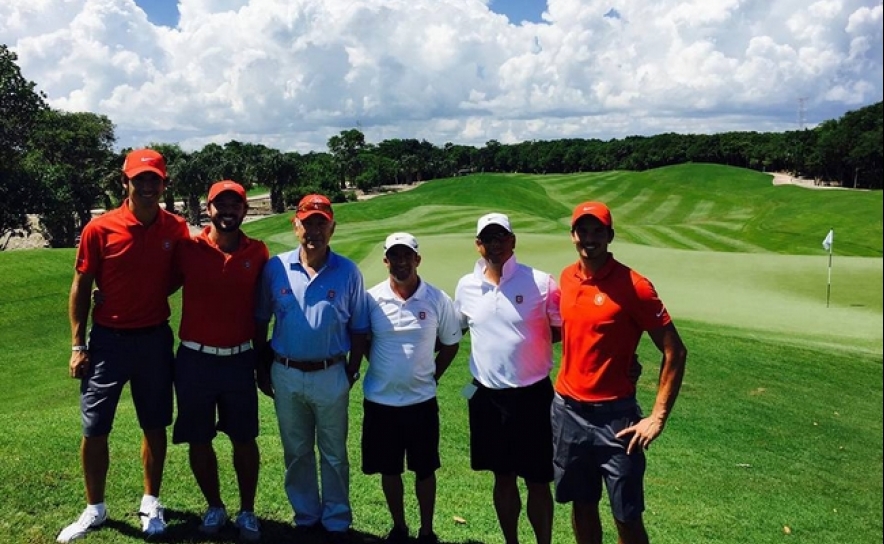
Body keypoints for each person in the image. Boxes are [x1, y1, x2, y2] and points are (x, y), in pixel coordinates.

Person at [57, 148, 189, 543]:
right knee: (95, 427)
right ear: (125, 182)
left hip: (154, 338)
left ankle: (151, 502)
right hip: (108, 342)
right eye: (140, 180)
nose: (148, 187)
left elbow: (179, 275)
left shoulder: (176, 228)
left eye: (155, 180)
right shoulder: (100, 229)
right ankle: (95, 508)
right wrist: (78, 344)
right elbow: (81, 285)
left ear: (165, 184)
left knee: (154, 423)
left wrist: (151, 294)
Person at [552, 201, 688, 544]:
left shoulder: (635, 285)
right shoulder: (566, 279)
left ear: (610, 236)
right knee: (582, 506)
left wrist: (657, 417)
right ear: (572, 236)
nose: (590, 238)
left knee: (625, 516)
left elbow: (675, 351)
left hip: (617, 421)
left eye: (598, 231)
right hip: (568, 412)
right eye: (583, 231)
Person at [254, 193, 370, 544]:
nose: (314, 230)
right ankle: (306, 516)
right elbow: (261, 321)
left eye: (322, 223)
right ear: (296, 225)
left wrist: (350, 371)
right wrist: (262, 369)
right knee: (297, 451)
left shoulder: (348, 271)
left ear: (332, 227)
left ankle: (336, 519)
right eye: (308, 223)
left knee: (334, 453)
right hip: (285, 372)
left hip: (332, 373)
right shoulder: (275, 268)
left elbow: (360, 328)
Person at [453, 213, 561, 544]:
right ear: (478, 244)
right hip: (487, 397)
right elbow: (459, 328)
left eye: (501, 237)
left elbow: (561, 330)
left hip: (534, 396)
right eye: (487, 238)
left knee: (538, 480)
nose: (494, 244)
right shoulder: (466, 286)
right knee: (502, 476)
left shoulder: (541, 283)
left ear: (513, 241)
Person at [171, 180, 269, 541]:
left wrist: (262, 360)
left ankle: (247, 511)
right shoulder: (188, 249)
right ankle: (215, 506)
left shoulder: (258, 253)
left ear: (244, 210)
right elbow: (156, 284)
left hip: (239, 359)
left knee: (244, 438)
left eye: (235, 205)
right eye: (220, 205)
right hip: (194, 359)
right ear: (208, 209)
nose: (228, 212)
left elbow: (264, 309)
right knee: (199, 438)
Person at [362, 232, 462, 544]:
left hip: (421, 402)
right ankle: (399, 528)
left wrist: (434, 377)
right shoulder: (371, 299)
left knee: (425, 469)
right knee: (389, 470)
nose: (400, 262)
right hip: (381, 401)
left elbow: (450, 343)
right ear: (385, 260)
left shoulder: (436, 299)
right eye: (394, 256)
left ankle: (427, 530)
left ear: (417, 259)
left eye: (407, 256)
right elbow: (364, 341)